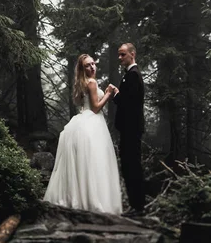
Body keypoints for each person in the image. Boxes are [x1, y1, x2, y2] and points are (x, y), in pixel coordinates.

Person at [43, 54, 122, 215]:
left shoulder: (83, 82)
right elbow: (95, 108)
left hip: (84, 121)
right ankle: (90, 201)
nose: (92, 67)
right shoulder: (91, 82)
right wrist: (108, 93)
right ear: (82, 68)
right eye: (87, 65)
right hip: (92, 123)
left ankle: (79, 198)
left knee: (88, 163)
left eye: (93, 64)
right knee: (94, 163)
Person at [111, 43, 146, 216]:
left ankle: (138, 207)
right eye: (118, 55)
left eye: (123, 54)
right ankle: (136, 205)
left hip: (131, 129)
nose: (120, 58)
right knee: (129, 165)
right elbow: (128, 98)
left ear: (132, 54)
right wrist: (119, 93)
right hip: (130, 129)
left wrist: (114, 94)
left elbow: (126, 103)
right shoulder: (130, 75)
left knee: (132, 166)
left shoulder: (133, 75)